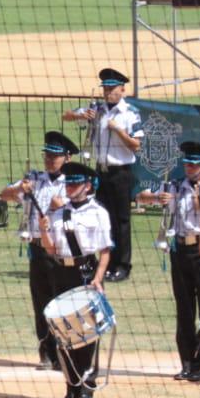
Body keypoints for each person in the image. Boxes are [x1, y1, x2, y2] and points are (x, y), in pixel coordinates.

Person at [136, 141, 200, 382]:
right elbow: (140, 198)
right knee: (184, 309)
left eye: (194, 164)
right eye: (187, 163)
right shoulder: (174, 186)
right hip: (180, 251)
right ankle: (186, 361)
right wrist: (155, 197)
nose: (189, 167)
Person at [0, 131, 79, 371]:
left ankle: (67, 351)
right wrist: (18, 191)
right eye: (47, 155)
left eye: (54, 156)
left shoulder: (75, 181)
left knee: (63, 301)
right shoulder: (34, 178)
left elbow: (87, 210)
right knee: (41, 301)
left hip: (63, 250)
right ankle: (47, 352)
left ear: (66, 157)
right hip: (37, 248)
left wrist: (64, 205)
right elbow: (4, 194)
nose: (49, 160)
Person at [38, 162, 112, 398]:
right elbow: (51, 249)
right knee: (65, 332)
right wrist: (44, 232)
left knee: (88, 333)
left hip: (86, 273)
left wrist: (98, 279)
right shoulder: (58, 214)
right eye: (68, 183)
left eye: (75, 183)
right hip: (61, 273)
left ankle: (86, 387)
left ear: (88, 186)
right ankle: (71, 386)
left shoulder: (98, 212)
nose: (70, 187)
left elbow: (104, 251)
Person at [62, 68, 142, 282]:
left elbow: (136, 145)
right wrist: (80, 115)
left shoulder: (130, 112)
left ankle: (122, 265)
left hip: (121, 172)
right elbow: (66, 116)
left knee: (121, 221)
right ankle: (102, 263)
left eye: (112, 89)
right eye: (105, 89)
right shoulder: (96, 108)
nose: (108, 92)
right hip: (100, 171)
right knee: (99, 218)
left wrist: (118, 131)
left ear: (122, 89)